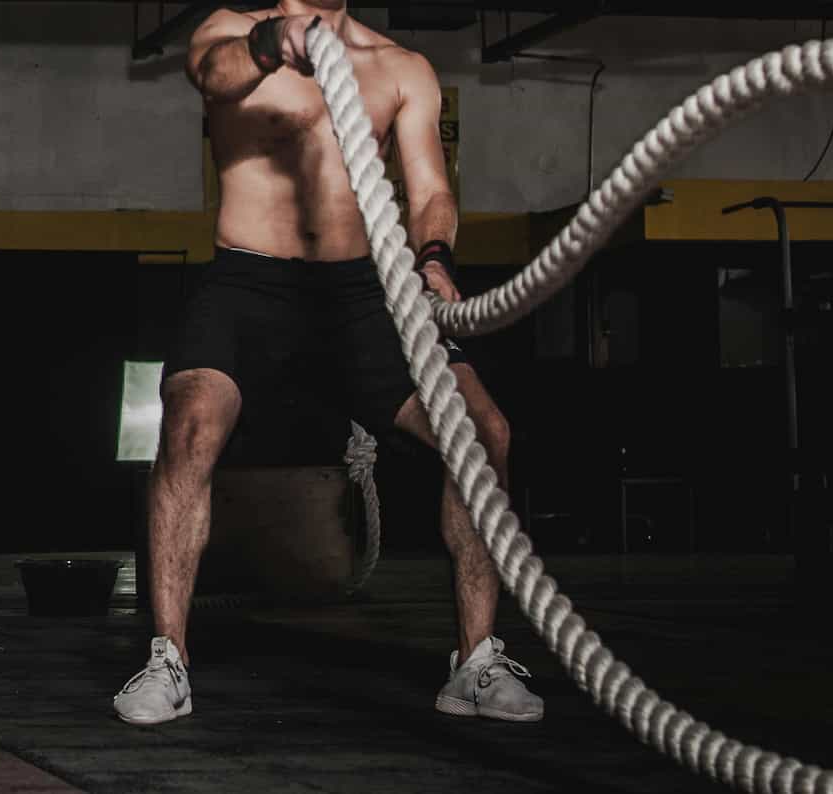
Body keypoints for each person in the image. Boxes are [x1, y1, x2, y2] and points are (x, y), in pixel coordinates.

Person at [112, 1, 541, 726]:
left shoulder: (401, 67)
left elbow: (432, 191)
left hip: (362, 294)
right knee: (187, 432)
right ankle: (167, 659)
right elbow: (216, 75)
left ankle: (474, 661)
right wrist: (282, 41)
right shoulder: (227, 33)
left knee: (484, 435)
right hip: (248, 282)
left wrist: (433, 258)